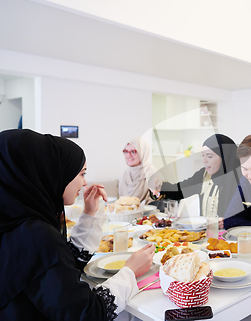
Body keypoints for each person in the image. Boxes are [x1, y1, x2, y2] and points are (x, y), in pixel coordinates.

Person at [0, 129, 155, 320]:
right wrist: (130, 271)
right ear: (53, 173)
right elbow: (87, 313)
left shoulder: (13, 222)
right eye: (81, 173)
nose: (84, 182)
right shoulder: (35, 234)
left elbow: (56, 268)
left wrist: (89, 214)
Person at [149, 134, 241, 222]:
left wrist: (228, 221)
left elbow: (249, 215)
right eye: (203, 155)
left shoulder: (242, 178)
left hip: (233, 236)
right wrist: (158, 187)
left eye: (209, 156)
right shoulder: (203, 175)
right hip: (206, 234)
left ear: (224, 157)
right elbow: (179, 190)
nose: (204, 161)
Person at [120, 137, 157, 204]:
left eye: (133, 152)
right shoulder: (126, 174)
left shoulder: (152, 173)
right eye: (126, 151)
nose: (128, 155)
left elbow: (155, 203)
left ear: (143, 153)